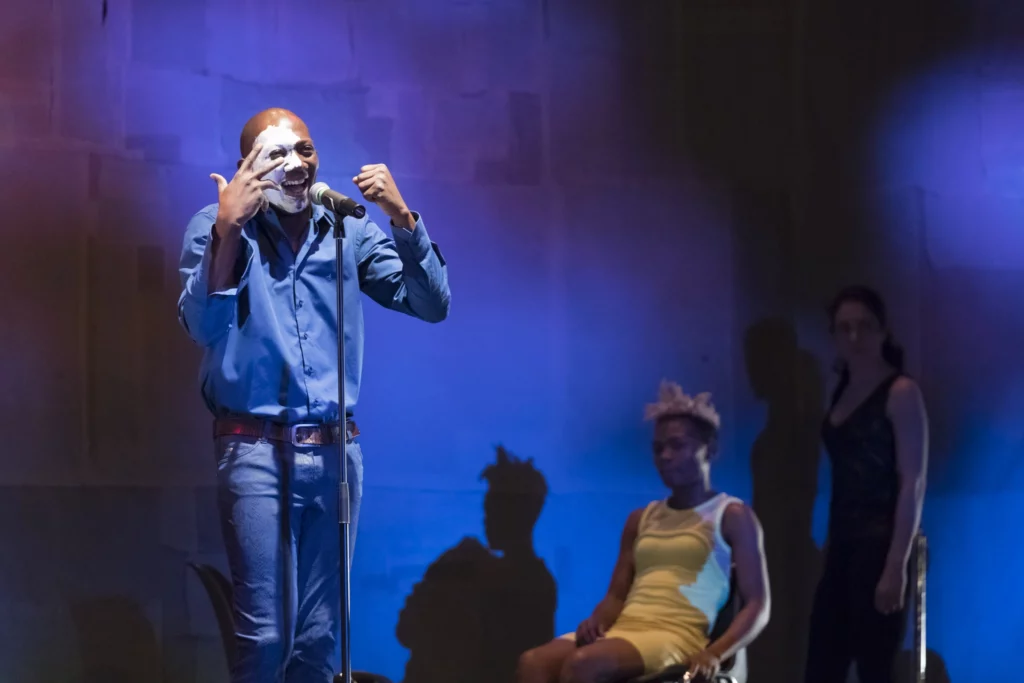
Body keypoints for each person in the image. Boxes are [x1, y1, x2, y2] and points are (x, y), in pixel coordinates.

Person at [176, 107, 450, 683]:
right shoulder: (216, 222)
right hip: (254, 453)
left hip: (334, 454)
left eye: (304, 149)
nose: (295, 164)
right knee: (267, 636)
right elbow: (201, 326)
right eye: (276, 154)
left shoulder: (346, 226)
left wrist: (401, 215)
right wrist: (228, 230)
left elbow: (431, 304)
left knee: (322, 639)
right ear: (247, 166)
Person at [518, 382, 771, 683]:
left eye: (677, 445)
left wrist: (715, 653)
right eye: (658, 448)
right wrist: (598, 620)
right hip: (625, 629)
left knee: (583, 665)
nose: (664, 456)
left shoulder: (731, 515)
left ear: (710, 450)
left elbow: (757, 604)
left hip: (676, 634)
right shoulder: (641, 518)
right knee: (533, 662)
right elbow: (616, 595)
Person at [804, 286, 928, 683]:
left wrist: (895, 565)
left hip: (880, 543)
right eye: (845, 329)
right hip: (842, 544)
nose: (854, 337)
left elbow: (913, 481)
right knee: (823, 666)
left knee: (875, 668)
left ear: (882, 331)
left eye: (864, 327)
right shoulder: (842, 390)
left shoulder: (901, 391)